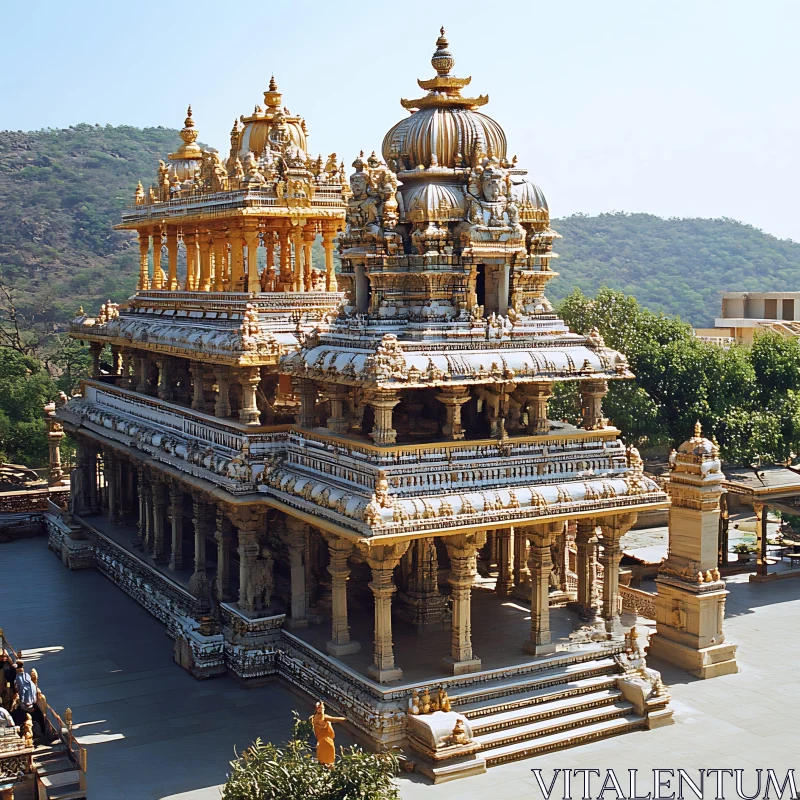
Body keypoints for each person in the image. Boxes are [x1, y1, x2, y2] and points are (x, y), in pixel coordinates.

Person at [13, 662, 46, 740]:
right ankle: (41, 731)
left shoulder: (19, 678)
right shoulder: (25, 676)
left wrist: (27, 703)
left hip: (27, 704)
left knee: (23, 718)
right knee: (38, 717)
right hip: (30, 702)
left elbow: (24, 690)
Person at [311, 701, 345, 767]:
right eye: (320, 708)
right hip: (326, 740)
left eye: (322, 708)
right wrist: (345, 720)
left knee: (323, 756)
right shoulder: (319, 718)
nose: (322, 710)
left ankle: (321, 764)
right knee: (328, 759)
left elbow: (334, 719)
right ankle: (327, 767)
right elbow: (332, 719)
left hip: (325, 740)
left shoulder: (320, 717)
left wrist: (344, 719)